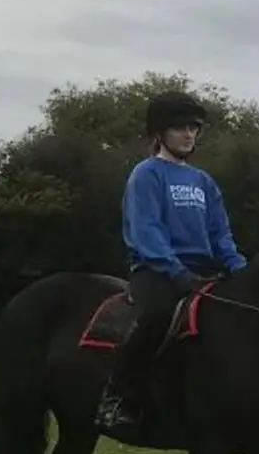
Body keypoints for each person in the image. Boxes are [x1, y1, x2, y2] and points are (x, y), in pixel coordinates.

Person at [95, 88, 248, 431]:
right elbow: (146, 231)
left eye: (194, 128)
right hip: (156, 270)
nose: (189, 134)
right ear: (160, 132)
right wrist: (175, 271)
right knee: (157, 315)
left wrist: (240, 269)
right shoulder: (147, 174)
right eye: (181, 127)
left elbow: (220, 235)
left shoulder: (204, 182)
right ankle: (115, 397)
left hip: (203, 270)